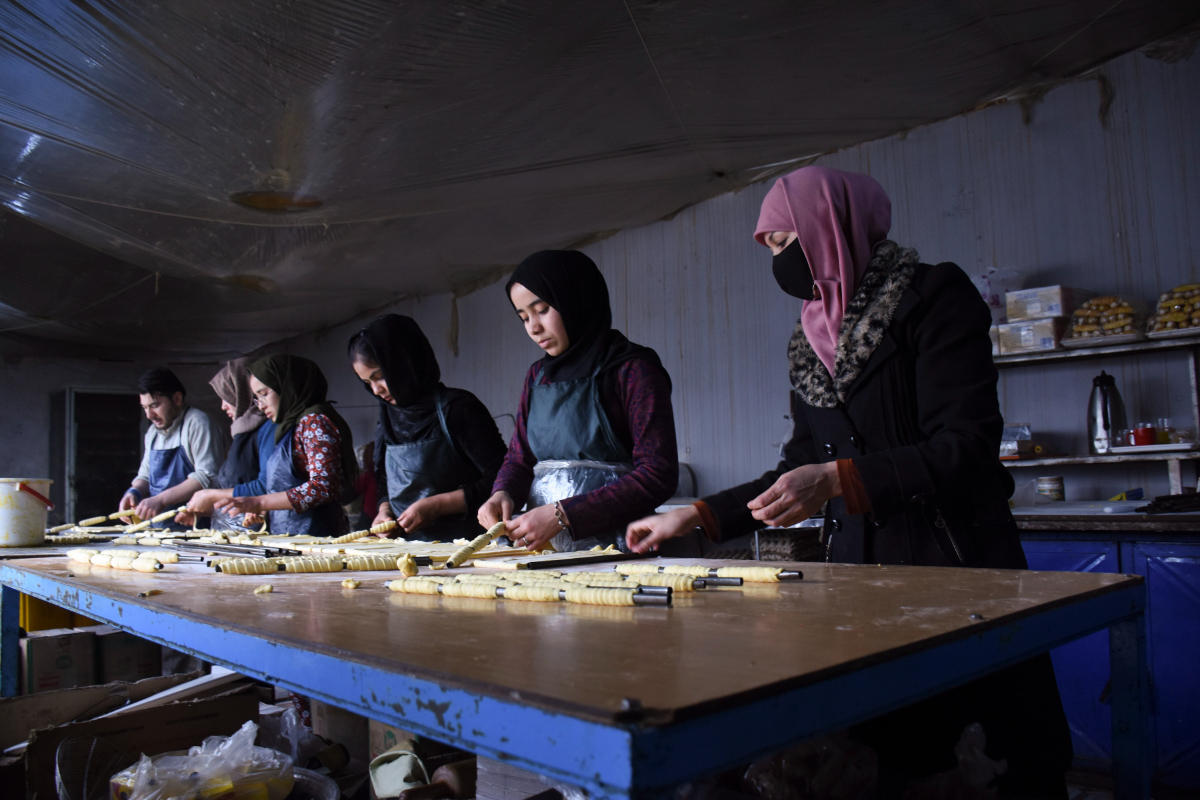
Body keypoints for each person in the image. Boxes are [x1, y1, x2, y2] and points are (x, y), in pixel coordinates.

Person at [624, 166, 1072, 797]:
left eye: (785, 242)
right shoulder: (809, 343)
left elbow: (966, 447)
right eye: (770, 250)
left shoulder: (933, 298)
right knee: (896, 761)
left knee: (988, 757)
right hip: (864, 577)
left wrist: (839, 479)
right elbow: (798, 466)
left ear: (829, 227)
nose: (778, 262)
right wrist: (697, 515)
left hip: (957, 566)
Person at [477, 250, 679, 552]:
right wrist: (502, 493)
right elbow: (520, 459)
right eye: (524, 317)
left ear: (576, 299)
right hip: (544, 552)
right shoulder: (537, 377)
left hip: (621, 550)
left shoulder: (632, 370)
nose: (533, 327)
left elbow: (658, 473)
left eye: (542, 310)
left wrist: (565, 515)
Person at [348, 314, 507, 540]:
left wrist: (438, 505)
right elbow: (385, 479)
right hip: (407, 547)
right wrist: (384, 511)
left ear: (406, 363)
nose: (376, 390)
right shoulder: (387, 417)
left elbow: (503, 478)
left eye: (380, 376)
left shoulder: (459, 409)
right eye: (367, 382)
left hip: (468, 545)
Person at [214, 355, 357, 537]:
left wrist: (260, 502)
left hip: (316, 534)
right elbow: (286, 483)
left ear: (288, 386)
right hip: (291, 533)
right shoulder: (289, 426)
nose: (260, 406)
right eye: (256, 398)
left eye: (264, 394)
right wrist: (264, 509)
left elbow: (323, 486)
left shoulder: (315, 421)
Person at [119, 368, 221, 527]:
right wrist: (134, 492)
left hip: (195, 527)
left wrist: (161, 500)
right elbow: (145, 475)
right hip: (160, 527)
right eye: (145, 407)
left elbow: (206, 477)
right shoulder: (153, 432)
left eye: (154, 405)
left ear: (177, 398)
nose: (149, 415)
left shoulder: (198, 423)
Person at [183, 358, 277, 530]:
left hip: (253, 535)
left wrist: (211, 495)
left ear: (242, 394)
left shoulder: (269, 428)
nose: (223, 406)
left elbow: (267, 486)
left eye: (226, 397)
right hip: (232, 533)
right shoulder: (241, 433)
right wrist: (205, 508)